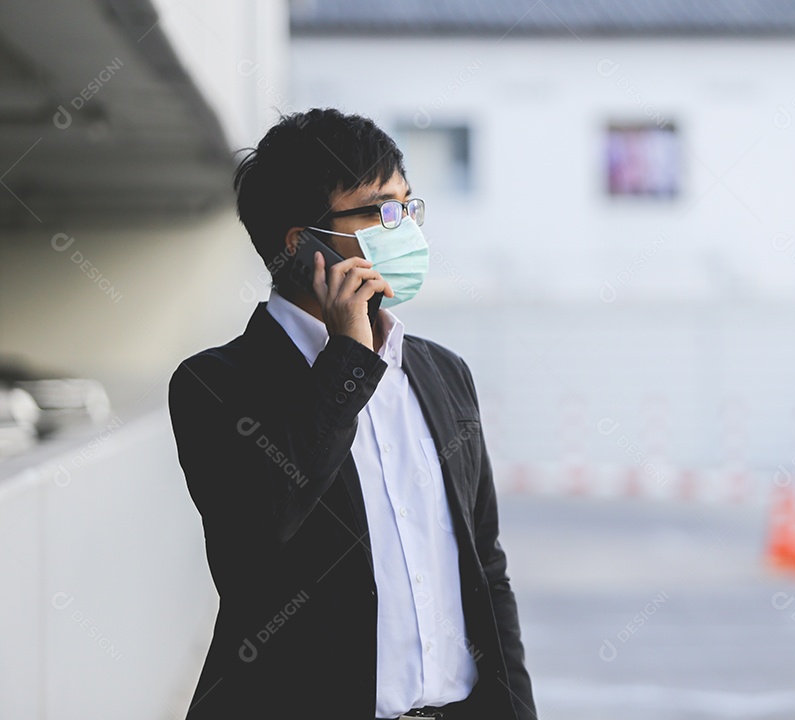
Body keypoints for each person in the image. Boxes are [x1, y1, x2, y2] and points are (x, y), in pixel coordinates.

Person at [168, 108, 536, 720]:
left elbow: (486, 563)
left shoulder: (444, 373)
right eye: (379, 211)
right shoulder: (215, 384)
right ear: (302, 243)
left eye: (408, 207)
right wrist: (347, 364)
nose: (404, 229)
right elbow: (255, 537)